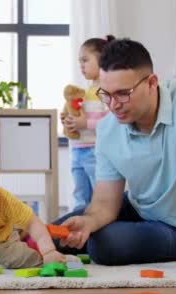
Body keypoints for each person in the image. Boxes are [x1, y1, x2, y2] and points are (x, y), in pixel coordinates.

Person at [56, 38, 176, 276]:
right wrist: (89, 222)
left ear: (152, 83)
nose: (113, 105)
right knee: (58, 232)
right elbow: (105, 203)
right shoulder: (107, 129)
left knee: (105, 245)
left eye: (123, 94)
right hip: (141, 208)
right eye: (106, 95)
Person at [63, 36, 114, 211]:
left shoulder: (105, 91)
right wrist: (69, 120)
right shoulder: (84, 92)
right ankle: (78, 224)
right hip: (78, 150)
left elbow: (111, 122)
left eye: (85, 60)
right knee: (80, 195)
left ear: (102, 60)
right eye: (80, 62)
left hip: (95, 151)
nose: (81, 65)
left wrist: (85, 123)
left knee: (98, 196)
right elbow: (79, 117)